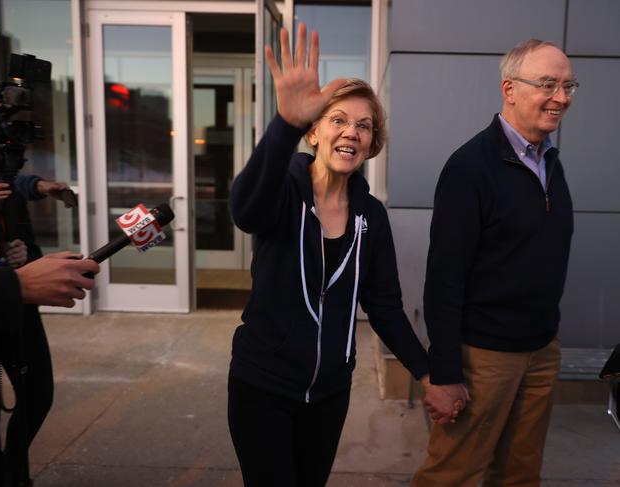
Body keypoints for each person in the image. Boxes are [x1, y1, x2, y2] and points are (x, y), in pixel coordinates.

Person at [226, 23, 461, 487]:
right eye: (337, 120)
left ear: (372, 144)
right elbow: (245, 211)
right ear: (313, 132)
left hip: (330, 394)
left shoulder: (371, 216)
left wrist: (427, 372)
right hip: (262, 386)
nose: (350, 132)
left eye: (364, 125)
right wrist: (284, 123)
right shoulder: (283, 191)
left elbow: (386, 307)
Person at [412, 39, 577, 486]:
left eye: (568, 86)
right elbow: (443, 281)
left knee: (520, 474)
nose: (561, 97)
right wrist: (444, 375)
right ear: (510, 89)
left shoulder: (550, 163)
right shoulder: (470, 168)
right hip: (483, 357)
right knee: (453, 474)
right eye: (548, 84)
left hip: (541, 348)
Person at [0, 177, 95, 487]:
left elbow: (11, 180)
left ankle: (13, 469)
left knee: (38, 394)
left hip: (15, 302)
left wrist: (40, 186)